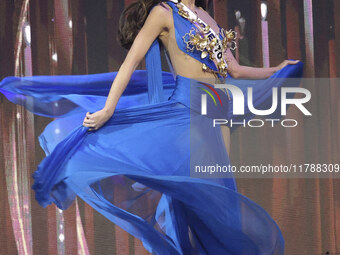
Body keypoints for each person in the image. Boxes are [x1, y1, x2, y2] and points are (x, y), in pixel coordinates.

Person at [0, 0, 303, 254]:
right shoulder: (163, 13)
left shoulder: (206, 16)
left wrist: (273, 70)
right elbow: (130, 63)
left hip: (218, 112)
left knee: (221, 199)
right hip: (188, 113)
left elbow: (234, 69)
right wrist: (108, 109)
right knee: (202, 198)